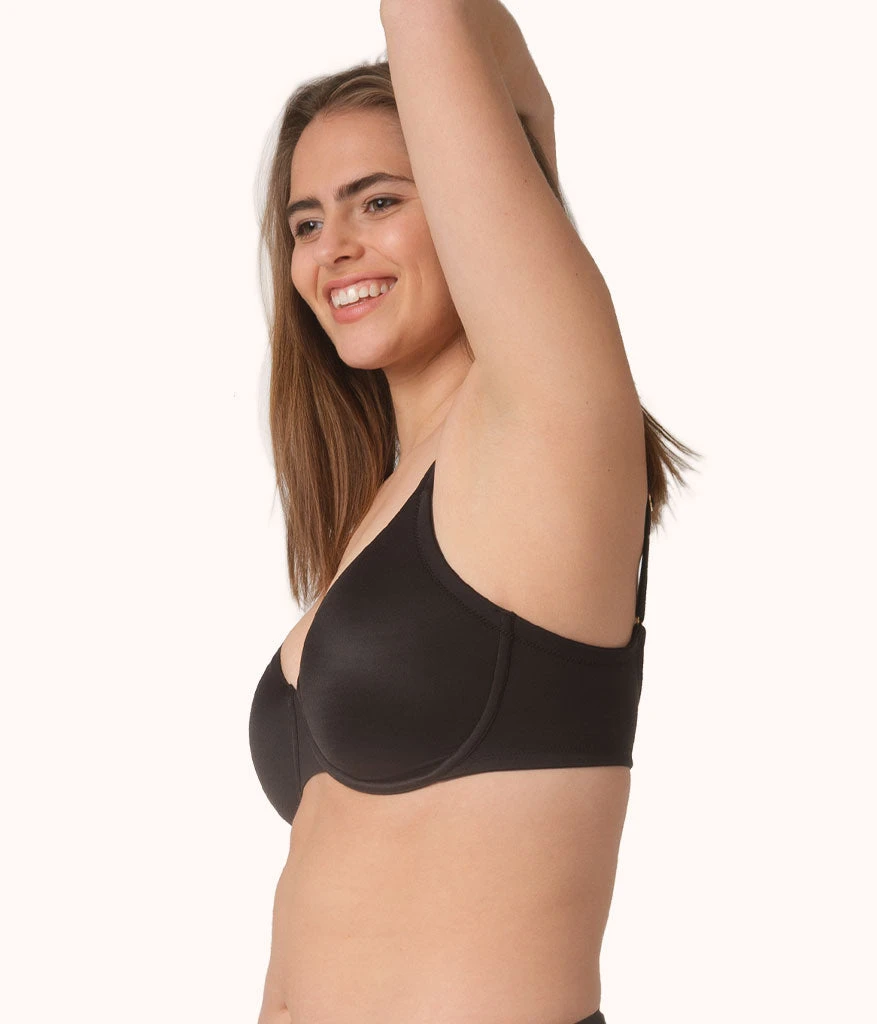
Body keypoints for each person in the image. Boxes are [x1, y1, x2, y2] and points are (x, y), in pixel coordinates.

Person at [249, 2, 699, 1021]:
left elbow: (435, 22)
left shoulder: (548, 420)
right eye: (306, 222)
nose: (333, 249)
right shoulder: (388, 504)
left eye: (376, 201)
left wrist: (502, 128)